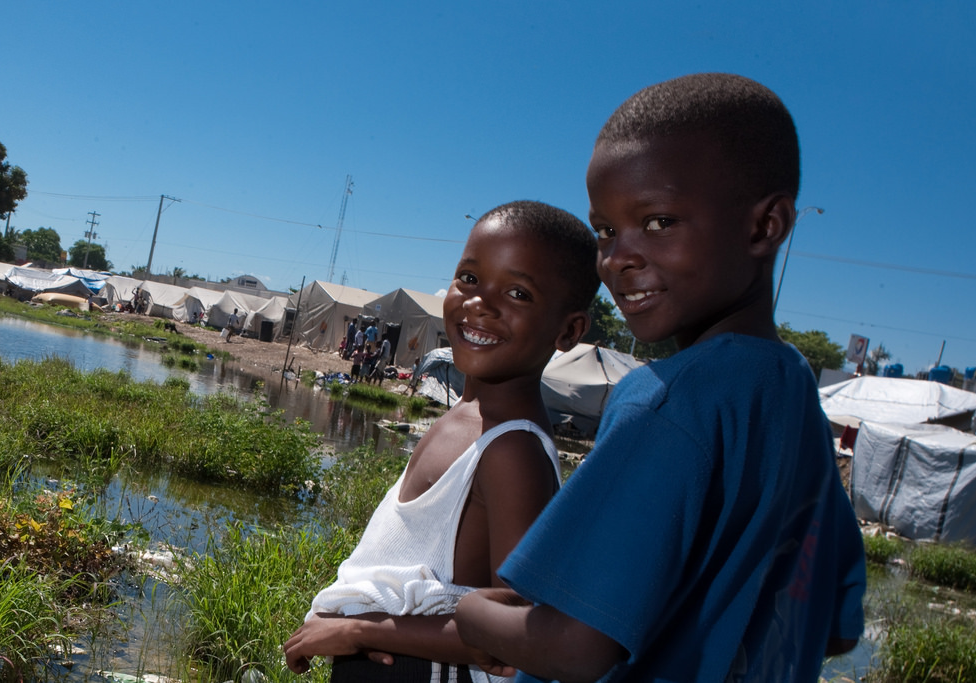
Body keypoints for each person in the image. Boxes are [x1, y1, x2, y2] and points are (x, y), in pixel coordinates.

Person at [456, 73, 867, 682]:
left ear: (765, 226)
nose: (617, 257)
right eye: (605, 230)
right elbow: (837, 627)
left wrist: (472, 614)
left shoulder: (669, 401)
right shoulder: (795, 396)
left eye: (658, 222)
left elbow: (575, 648)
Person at [284, 200, 600, 682]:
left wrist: (359, 631)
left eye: (518, 293)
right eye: (470, 279)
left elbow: (520, 635)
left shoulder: (512, 450)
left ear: (568, 330)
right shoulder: (465, 414)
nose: (480, 304)